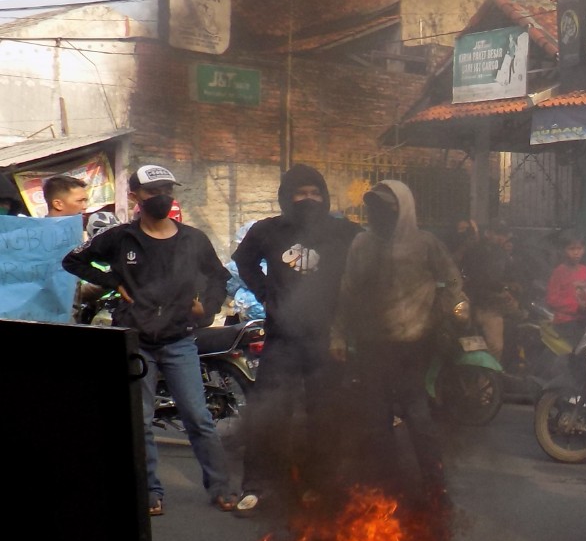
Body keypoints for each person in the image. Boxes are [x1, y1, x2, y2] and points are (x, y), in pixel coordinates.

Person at [62, 164, 237, 517]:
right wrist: (114, 282)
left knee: (198, 418)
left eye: (166, 191)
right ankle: (150, 492)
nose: (161, 198)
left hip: (179, 341)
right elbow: (73, 261)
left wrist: (206, 309)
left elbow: (219, 277)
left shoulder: (193, 239)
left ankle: (221, 487)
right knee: (139, 422)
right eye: (152, 192)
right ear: (135, 196)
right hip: (135, 343)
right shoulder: (120, 239)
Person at [232, 164, 361, 512]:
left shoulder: (344, 233)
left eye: (315, 193)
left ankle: (317, 484)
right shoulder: (266, 231)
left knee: (324, 415)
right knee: (269, 412)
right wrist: (266, 295)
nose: (308, 199)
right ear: (287, 198)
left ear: (325, 197)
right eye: (300, 194)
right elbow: (243, 262)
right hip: (282, 336)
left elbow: (366, 271)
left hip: (326, 339)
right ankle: (257, 486)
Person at [330, 181, 467, 501]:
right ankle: (387, 488)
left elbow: (452, 282)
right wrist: (337, 335)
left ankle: (435, 486)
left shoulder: (425, 243)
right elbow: (347, 292)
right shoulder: (362, 244)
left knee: (418, 416)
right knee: (376, 421)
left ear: (404, 208)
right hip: (371, 346)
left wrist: (451, 314)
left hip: (414, 346)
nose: (380, 213)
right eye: (375, 207)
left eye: (388, 207)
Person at [460, 222, 516, 364]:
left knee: (496, 346)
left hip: (490, 305)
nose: (501, 239)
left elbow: (509, 277)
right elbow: (464, 276)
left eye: (504, 236)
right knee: (484, 346)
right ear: (488, 233)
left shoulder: (501, 253)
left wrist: (508, 289)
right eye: (498, 234)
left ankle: (490, 378)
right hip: (475, 304)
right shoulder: (474, 251)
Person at [544, 229, 586, 325]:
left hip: (584, 318)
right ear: (563, 250)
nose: (576, 253)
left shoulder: (585, 270)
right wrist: (576, 307)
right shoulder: (559, 272)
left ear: (584, 249)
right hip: (565, 321)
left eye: (579, 248)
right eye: (571, 249)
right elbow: (552, 299)